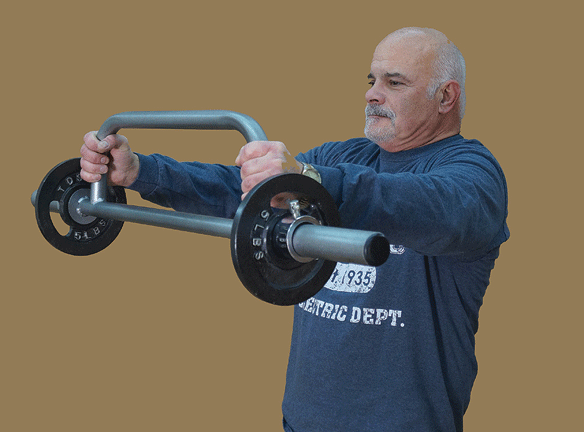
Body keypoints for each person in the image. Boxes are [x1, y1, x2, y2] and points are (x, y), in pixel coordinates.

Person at [80, 27, 509, 432]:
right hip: (303, 420)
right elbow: (243, 194)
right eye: (372, 79)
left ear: (445, 96)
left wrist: (311, 179)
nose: (372, 93)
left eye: (394, 83)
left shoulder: (473, 173)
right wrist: (141, 172)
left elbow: (425, 205)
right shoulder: (341, 157)